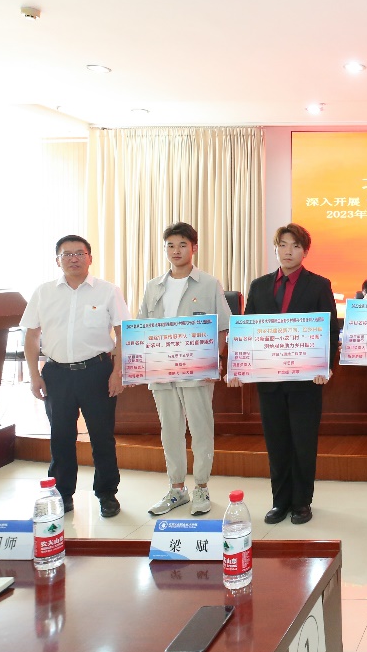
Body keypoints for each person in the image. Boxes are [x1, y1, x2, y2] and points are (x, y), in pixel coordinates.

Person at [21, 235, 129, 518]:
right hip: (56, 374)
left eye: (79, 253)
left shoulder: (107, 291)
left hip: (97, 372)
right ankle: (62, 495)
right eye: (66, 254)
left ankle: (107, 494)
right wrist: (34, 375)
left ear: (89, 258)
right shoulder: (44, 292)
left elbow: (123, 333)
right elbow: (31, 336)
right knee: (61, 437)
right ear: (57, 260)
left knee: (102, 437)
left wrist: (118, 372)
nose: (73, 259)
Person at [236, 223, 337, 525]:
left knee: (303, 443)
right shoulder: (259, 286)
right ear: (276, 248)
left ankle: (302, 502)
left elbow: (330, 330)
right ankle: (280, 502)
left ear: (305, 251)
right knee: (276, 443)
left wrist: (325, 366)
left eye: (295, 246)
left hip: (306, 381)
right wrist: (240, 365)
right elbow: (248, 330)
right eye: (283, 245)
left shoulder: (319, 285)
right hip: (270, 381)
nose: (288, 251)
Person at [139, 222, 233, 517]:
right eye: (170, 245)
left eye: (182, 245)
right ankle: (177, 488)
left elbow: (223, 327)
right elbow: (141, 328)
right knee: (170, 429)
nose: (176, 251)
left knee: (201, 428)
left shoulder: (208, 283)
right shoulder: (153, 286)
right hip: (161, 368)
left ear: (194, 248)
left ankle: (201, 487)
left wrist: (215, 359)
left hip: (197, 369)